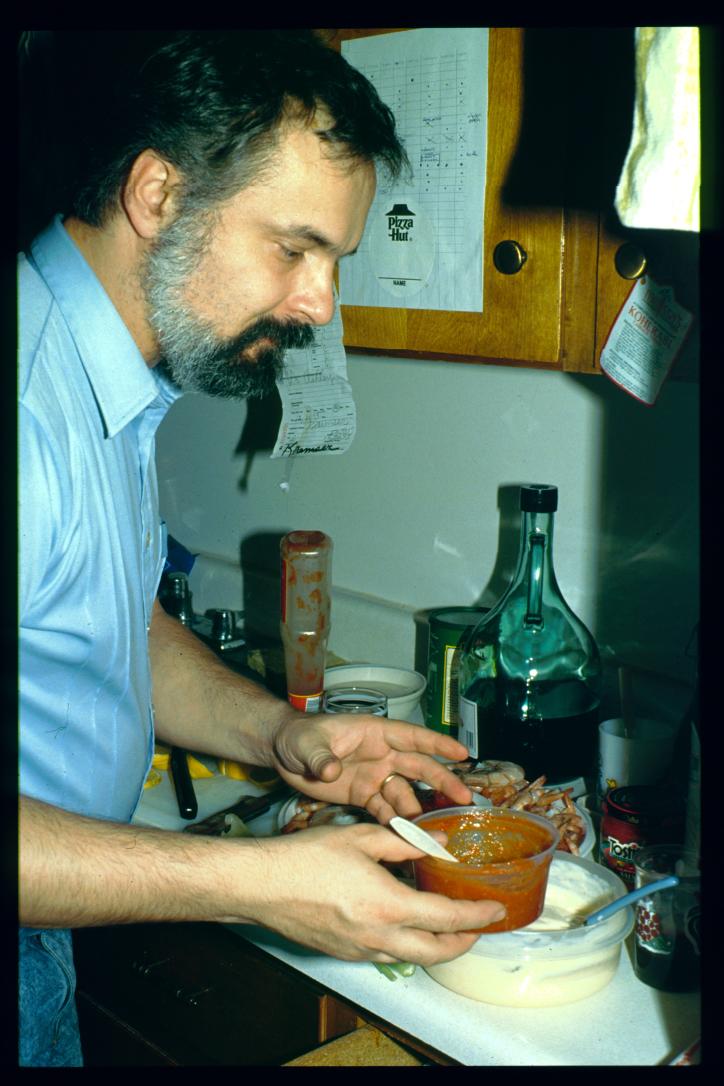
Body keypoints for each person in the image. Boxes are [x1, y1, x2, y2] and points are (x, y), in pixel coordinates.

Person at [18, 31, 505, 1067]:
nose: (319, 306)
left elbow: (108, 623)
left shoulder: (103, 379)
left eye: (334, 261)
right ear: (158, 196)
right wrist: (257, 885)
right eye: (294, 249)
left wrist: (280, 735)